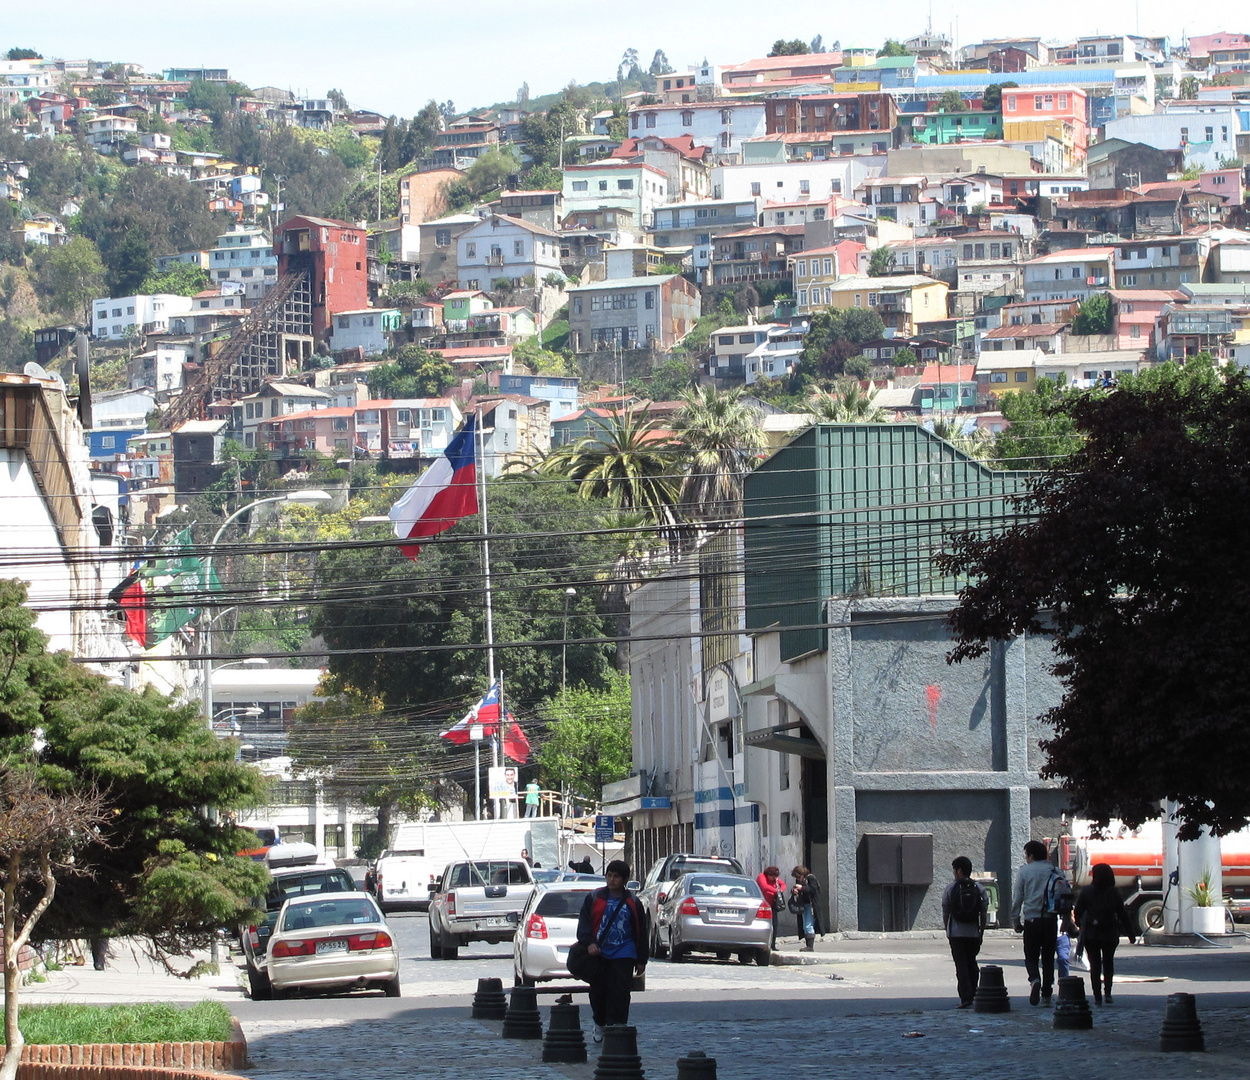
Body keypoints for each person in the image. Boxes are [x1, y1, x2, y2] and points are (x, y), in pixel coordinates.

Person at [575, 859, 647, 1044]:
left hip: (624, 952)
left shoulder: (633, 902)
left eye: (616, 876)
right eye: (609, 875)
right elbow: (584, 924)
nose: (612, 880)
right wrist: (589, 942)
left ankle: (618, 1028)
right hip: (599, 953)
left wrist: (641, 959)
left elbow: (641, 930)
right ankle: (599, 1021)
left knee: (621, 992)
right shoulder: (595, 898)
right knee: (598, 991)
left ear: (624, 879)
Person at [1074, 861, 1137, 1005]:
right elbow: (1122, 914)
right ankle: (1107, 993)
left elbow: (1078, 912)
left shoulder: (1086, 891)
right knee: (1108, 963)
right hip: (1109, 933)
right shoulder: (1114, 892)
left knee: (1094, 965)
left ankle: (1097, 997)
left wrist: (1080, 926)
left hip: (1091, 933)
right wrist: (1131, 934)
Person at [1011, 840, 1058, 1006]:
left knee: (1031, 956)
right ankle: (1046, 995)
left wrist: (1015, 920)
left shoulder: (1025, 871)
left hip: (1032, 920)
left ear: (1030, 855)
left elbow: (1018, 897)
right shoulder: (1054, 870)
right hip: (1051, 920)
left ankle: (1034, 979)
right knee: (1048, 959)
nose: (1026, 858)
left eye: (1026, 855)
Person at [942, 856, 988, 1008]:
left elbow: (946, 912)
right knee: (972, 964)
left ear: (959, 871)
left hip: (956, 933)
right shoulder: (979, 889)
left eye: (955, 870)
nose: (954, 873)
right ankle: (975, 993)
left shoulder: (950, 888)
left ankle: (965, 998)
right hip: (973, 933)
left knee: (961, 966)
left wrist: (947, 931)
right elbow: (983, 912)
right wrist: (980, 932)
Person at [789, 865, 823, 951]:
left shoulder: (811, 878)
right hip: (803, 904)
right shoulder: (800, 880)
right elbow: (797, 889)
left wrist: (802, 888)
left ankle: (810, 946)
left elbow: (813, 890)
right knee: (805, 925)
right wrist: (794, 890)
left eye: (798, 877)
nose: (798, 879)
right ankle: (808, 944)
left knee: (808, 924)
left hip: (811, 905)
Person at [756, 866, 787, 948]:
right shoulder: (761, 876)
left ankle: (772, 944)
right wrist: (776, 891)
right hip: (764, 905)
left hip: (773, 904)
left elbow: (783, 884)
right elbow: (765, 887)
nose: (774, 879)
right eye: (772, 876)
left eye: (775, 877)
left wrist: (781, 890)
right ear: (768, 874)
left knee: (774, 925)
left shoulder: (775, 879)